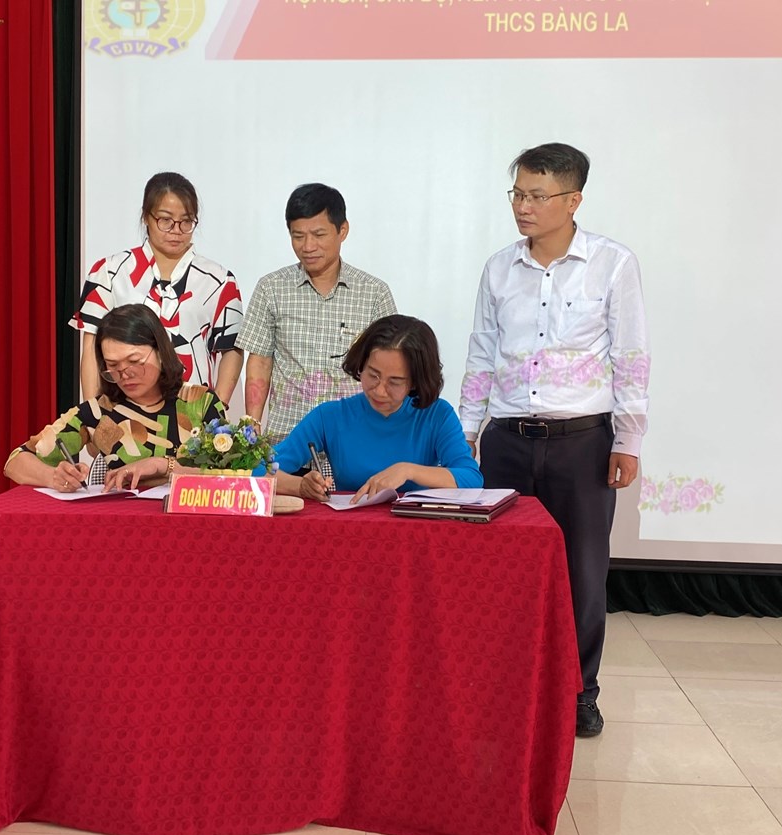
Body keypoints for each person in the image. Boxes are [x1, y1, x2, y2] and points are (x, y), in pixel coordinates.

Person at [459, 143, 650, 738]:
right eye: (517, 193)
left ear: (573, 201)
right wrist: (466, 430)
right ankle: (504, 691)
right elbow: (482, 353)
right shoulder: (498, 268)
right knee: (499, 573)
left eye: (537, 196)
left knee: (582, 573)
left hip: (581, 442)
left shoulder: (613, 264)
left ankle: (579, 693)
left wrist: (628, 438)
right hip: (507, 440)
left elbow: (631, 355)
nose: (523, 206)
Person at [239, 183, 396, 449]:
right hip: (287, 438)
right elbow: (260, 362)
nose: (308, 246)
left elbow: (390, 368)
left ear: (342, 230)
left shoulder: (374, 293)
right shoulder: (271, 288)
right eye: (298, 236)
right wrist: (252, 423)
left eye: (318, 234)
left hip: (354, 440)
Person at [6, 303, 227, 491]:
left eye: (134, 362)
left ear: (161, 352)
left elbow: (232, 473)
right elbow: (15, 461)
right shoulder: (99, 413)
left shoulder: (199, 402)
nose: (125, 375)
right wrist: (53, 476)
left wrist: (162, 465)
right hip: (124, 521)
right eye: (113, 366)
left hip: (191, 519)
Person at [70, 172, 244, 404]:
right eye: (165, 220)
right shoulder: (109, 272)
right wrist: (93, 412)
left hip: (191, 412)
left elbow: (232, 349)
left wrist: (216, 408)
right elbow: (92, 347)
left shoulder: (219, 280)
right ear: (146, 217)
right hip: (122, 409)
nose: (176, 230)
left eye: (186, 221)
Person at [273, 314, 481, 503]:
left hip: (417, 528)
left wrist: (407, 471)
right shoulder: (329, 416)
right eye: (373, 375)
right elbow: (259, 468)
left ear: (415, 382)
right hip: (350, 526)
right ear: (360, 365)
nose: (380, 391)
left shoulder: (437, 415)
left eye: (395, 382)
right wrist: (300, 486)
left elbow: (471, 478)